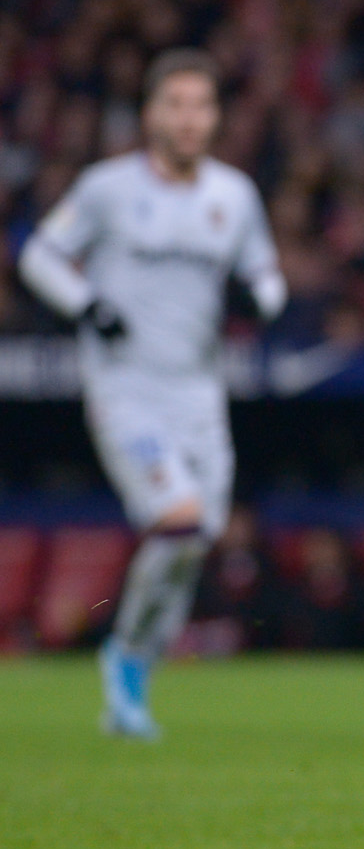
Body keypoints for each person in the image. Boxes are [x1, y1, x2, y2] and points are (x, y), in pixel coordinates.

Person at [17, 48, 285, 738]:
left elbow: (269, 279)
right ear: (150, 115)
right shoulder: (107, 189)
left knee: (193, 543)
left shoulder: (233, 196)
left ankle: (134, 668)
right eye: (176, 105)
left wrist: (255, 301)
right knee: (180, 520)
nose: (189, 119)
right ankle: (124, 659)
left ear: (216, 117)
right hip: (126, 388)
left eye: (201, 106)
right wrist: (87, 305)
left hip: (200, 395)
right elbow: (40, 255)